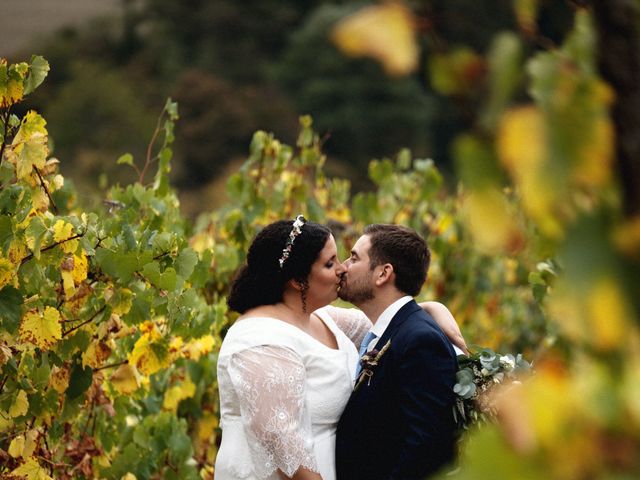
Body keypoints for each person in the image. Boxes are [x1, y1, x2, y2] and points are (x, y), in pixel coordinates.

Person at [215, 217, 466, 480]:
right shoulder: (259, 338)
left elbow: (392, 323)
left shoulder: (325, 319)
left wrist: (434, 309)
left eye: (346, 258)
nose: (341, 269)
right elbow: (282, 446)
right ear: (299, 280)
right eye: (330, 263)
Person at [335, 224, 459, 480]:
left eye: (354, 257)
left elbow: (427, 448)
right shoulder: (392, 330)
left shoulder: (420, 340)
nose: (343, 266)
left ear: (383, 273)